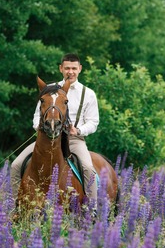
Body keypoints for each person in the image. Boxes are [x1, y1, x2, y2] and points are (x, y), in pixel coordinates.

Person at [11, 53, 99, 207]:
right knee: (16, 165)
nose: (70, 72)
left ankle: (91, 209)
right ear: (61, 69)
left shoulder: (88, 94)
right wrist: (42, 127)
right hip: (46, 139)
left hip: (74, 140)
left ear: (80, 69)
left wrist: (77, 130)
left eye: (73, 68)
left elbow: (93, 122)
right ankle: (15, 206)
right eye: (67, 68)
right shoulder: (49, 90)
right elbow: (37, 116)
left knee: (88, 168)